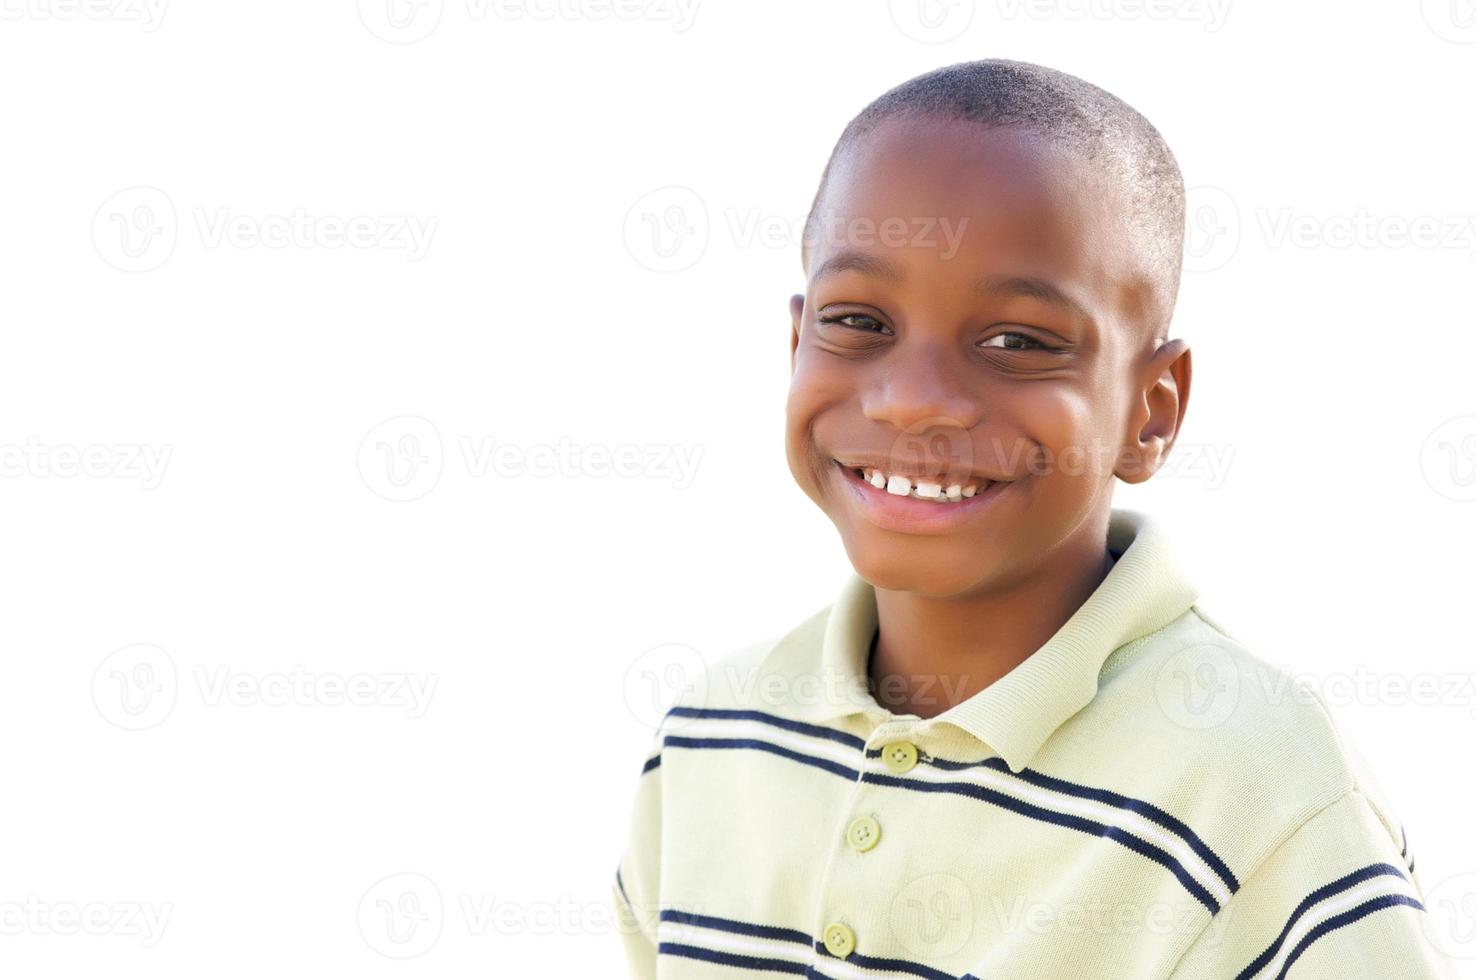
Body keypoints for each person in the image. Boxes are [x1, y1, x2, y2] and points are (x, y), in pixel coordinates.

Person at [611, 59, 1454, 979]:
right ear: (794, 342)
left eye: (1016, 342)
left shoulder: (1258, 783)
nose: (912, 402)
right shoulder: (710, 740)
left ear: (1153, 410)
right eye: (859, 321)